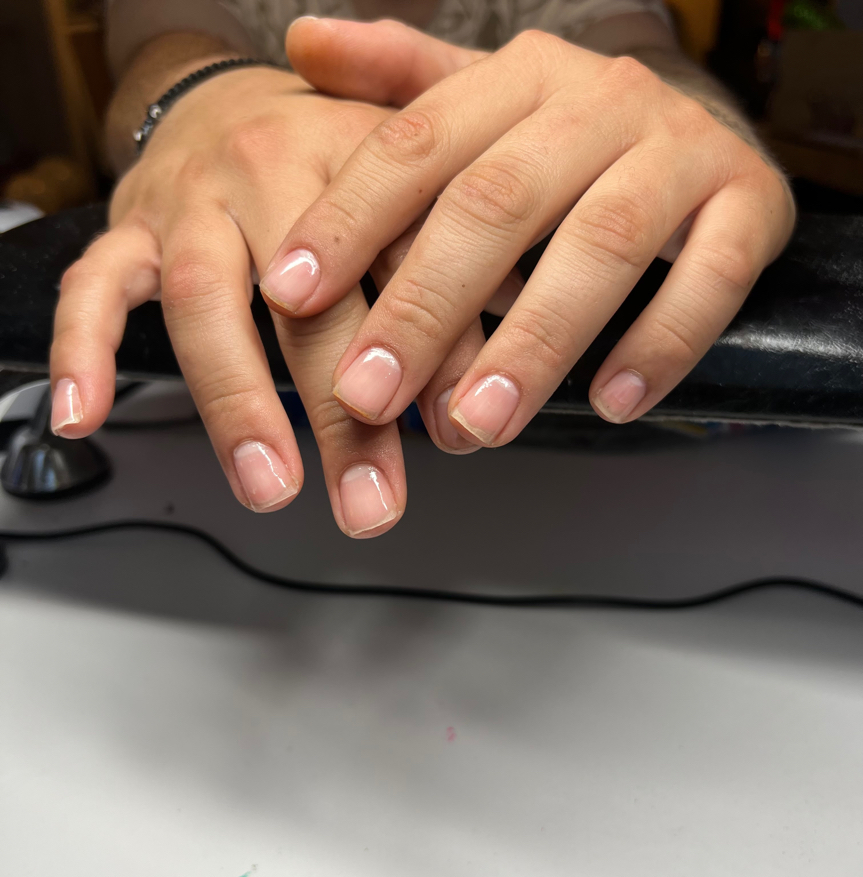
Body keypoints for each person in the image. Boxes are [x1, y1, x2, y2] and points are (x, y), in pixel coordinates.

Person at [50, 1, 794, 538]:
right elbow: (159, 49)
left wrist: (693, 132)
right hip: (212, 483)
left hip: (598, 496)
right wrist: (201, 100)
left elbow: (645, 59)